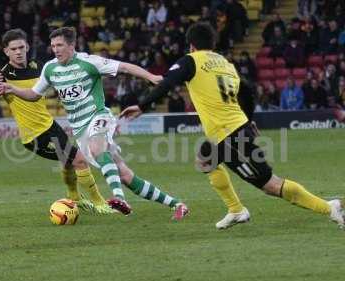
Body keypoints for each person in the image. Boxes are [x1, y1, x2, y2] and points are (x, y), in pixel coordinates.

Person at [120, 22, 344, 229]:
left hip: (231, 136)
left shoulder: (191, 61)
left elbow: (167, 83)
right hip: (231, 131)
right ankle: (236, 210)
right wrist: (247, 120)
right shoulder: (225, 64)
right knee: (205, 159)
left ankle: (328, 207)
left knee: (270, 185)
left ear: (191, 44)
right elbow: (246, 92)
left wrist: (142, 106)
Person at [0, 27, 188, 220]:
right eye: (53, 46)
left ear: (71, 45)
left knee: (97, 147)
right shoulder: (50, 68)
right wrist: (12, 89)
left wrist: (151, 77)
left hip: (98, 116)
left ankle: (119, 199)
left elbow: (125, 67)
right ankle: (177, 204)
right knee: (126, 176)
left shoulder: (89, 62)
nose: (56, 49)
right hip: (79, 129)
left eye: (60, 45)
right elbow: (33, 95)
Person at [0, 29, 111, 214]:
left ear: (27, 47)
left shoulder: (40, 68)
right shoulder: (2, 76)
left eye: (21, 47)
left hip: (51, 126)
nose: (18, 52)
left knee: (69, 162)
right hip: (34, 137)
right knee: (78, 159)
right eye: (13, 49)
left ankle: (74, 198)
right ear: (6, 52)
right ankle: (100, 203)